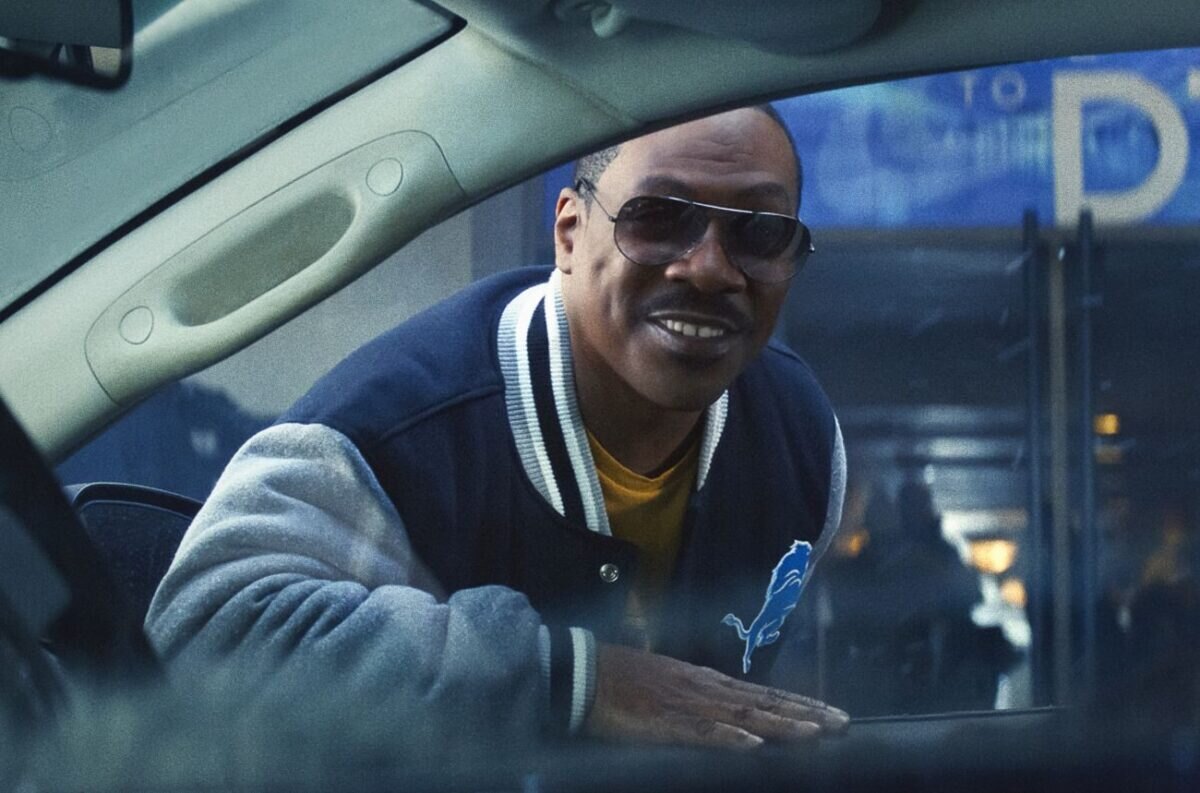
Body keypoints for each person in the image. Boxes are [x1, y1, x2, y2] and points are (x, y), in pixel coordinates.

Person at [145, 105, 849, 751]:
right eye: (658, 217)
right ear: (569, 232)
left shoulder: (803, 438)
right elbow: (199, 639)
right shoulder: (394, 430)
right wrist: (566, 679)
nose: (710, 269)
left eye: (761, 232)